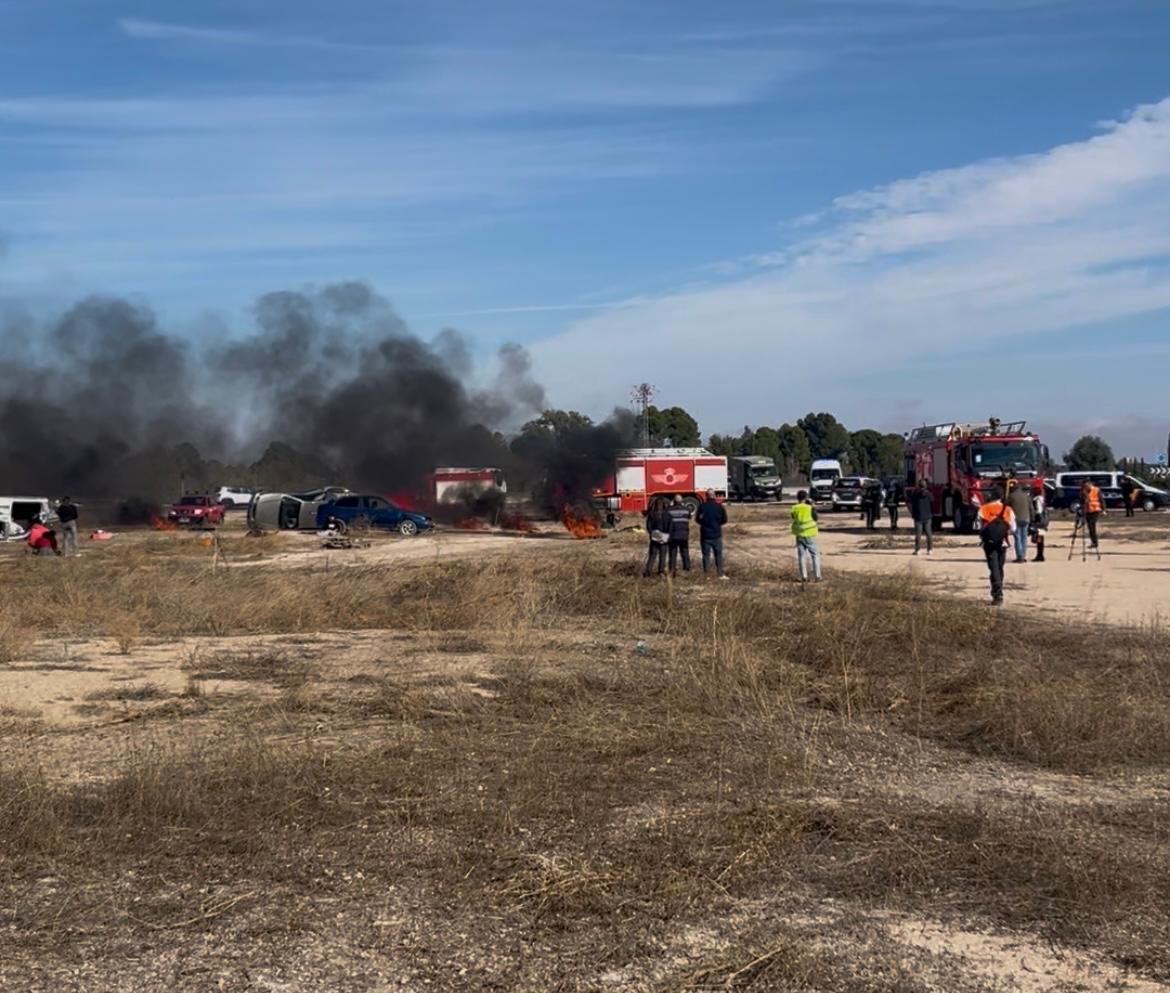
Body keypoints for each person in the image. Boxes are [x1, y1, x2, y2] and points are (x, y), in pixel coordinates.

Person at [978, 486, 1016, 605]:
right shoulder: (1008, 509)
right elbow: (1013, 528)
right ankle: (999, 587)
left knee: (993, 567)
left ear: (992, 495)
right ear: (1002, 496)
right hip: (1003, 542)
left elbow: (978, 526)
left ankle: (997, 593)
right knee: (999, 567)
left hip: (989, 542)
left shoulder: (984, 509)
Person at [695, 489, 728, 579]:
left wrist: (704, 524)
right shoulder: (719, 507)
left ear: (706, 496)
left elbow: (697, 519)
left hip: (705, 535)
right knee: (718, 555)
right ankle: (720, 574)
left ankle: (707, 575)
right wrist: (717, 524)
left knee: (706, 556)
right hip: (716, 534)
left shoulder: (702, 507)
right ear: (714, 496)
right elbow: (725, 520)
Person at [790, 489, 821, 582]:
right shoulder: (810, 507)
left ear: (797, 498)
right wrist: (813, 505)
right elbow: (816, 518)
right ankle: (817, 576)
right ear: (806, 497)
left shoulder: (794, 508)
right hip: (809, 533)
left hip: (799, 533)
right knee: (814, 555)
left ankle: (804, 576)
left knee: (801, 556)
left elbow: (793, 516)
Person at [642, 497, 671, 577]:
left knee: (652, 555)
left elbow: (648, 526)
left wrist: (652, 533)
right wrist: (667, 535)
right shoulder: (667, 514)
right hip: (664, 536)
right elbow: (670, 526)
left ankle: (648, 571)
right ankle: (660, 571)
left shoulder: (651, 514)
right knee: (663, 555)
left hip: (654, 536)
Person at [1006, 479, 1032, 564]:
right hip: (1026, 518)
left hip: (1016, 519)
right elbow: (1031, 508)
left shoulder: (1011, 496)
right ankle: (1023, 555)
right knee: (1024, 538)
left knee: (1017, 538)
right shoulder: (1026, 496)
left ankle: (1019, 556)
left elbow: (1005, 506)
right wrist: (1033, 519)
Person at [666, 494, 692, 576]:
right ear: (682, 501)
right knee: (685, 552)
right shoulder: (686, 510)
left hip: (673, 535)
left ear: (673, 501)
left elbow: (666, 519)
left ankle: (672, 570)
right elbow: (689, 517)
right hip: (684, 535)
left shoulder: (669, 510)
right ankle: (687, 569)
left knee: (672, 554)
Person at [909, 480, 933, 556]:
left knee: (918, 534)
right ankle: (930, 549)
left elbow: (910, 500)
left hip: (918, 516)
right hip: (927, 516)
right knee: (928, 533)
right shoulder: (928, 494)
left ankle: (918, 549)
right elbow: (932, 500)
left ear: (918, 486)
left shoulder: (915, 494)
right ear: (925, 486)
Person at [1080, 478, 1104, 548]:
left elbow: (1101, 500)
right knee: (1090, 527)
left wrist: (1104, 509)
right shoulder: (1083, 491)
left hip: (1095, 510)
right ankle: (1093, 542)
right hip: (1087, 510)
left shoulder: (1096, 490)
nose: (1086, 487)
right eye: (1084, 486)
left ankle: (1095, 542)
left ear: (1090, 484)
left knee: (1092, 525)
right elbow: (1081, 501)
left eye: (1087, 485)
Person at [1031, 488, 1048, 563]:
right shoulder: (1042, 500)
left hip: (1039, 521)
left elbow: (1038, 511)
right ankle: (1040, 554)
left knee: (1039, 538)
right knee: (1041, 538)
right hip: (1043, 520)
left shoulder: (1037, 500)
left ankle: (1040, 555)